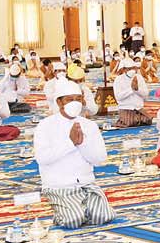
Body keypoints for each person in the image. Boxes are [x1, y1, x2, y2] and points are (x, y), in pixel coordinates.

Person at [34, 82, 114, 228]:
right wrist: (70, 143)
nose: (75, 103)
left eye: (78, 99)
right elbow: (42, 158)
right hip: (59, 186)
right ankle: (70, 210)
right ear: (59, 102)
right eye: (69, 99)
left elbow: (100, 159)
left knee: (104, 217)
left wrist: (82, 143)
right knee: (73, 221)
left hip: (86, 184)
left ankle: (80, 208)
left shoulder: (89, 125)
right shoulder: (45, 125)